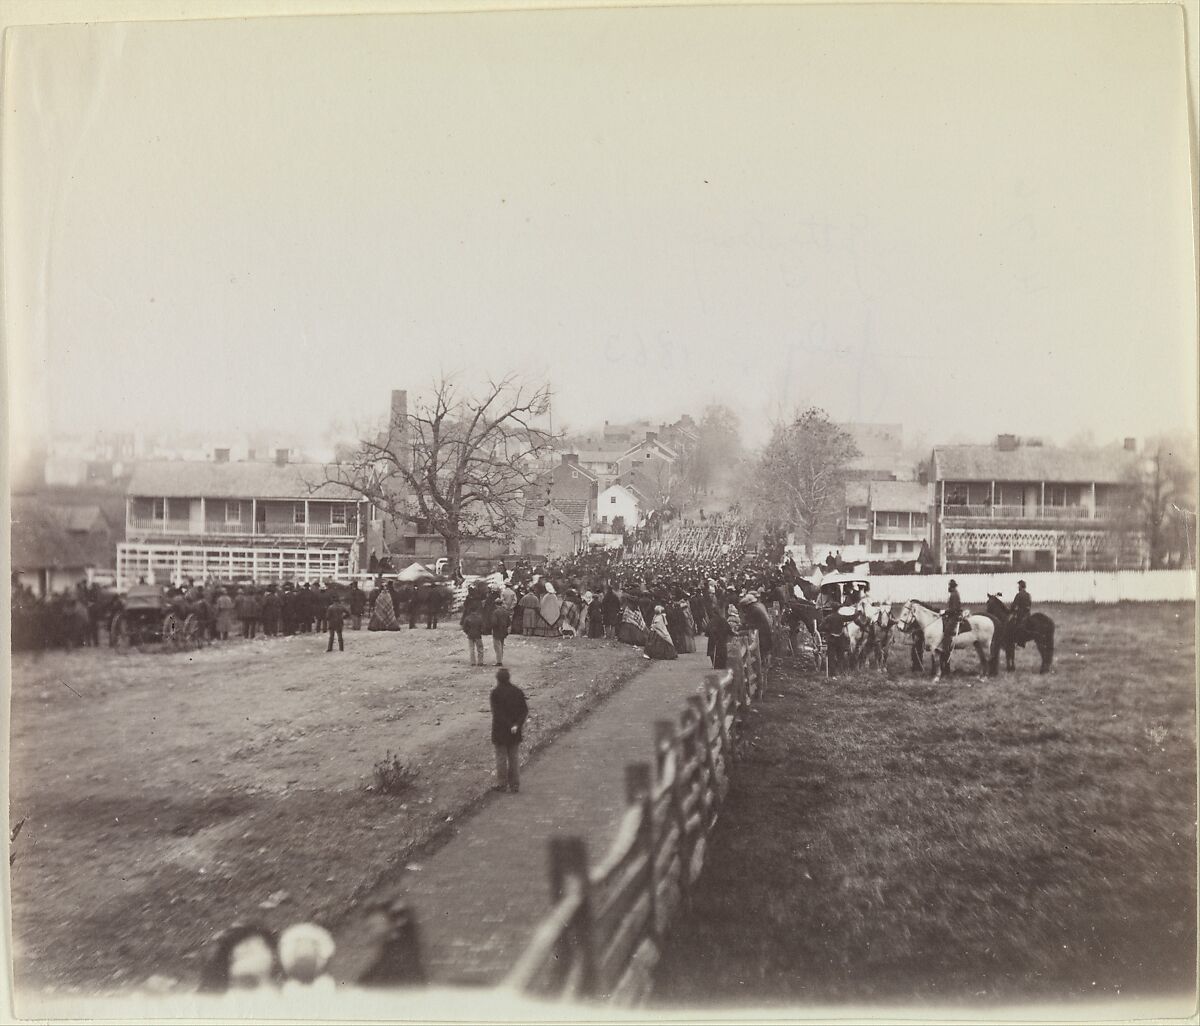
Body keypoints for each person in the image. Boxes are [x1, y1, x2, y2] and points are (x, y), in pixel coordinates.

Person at [489, 668, 528, 794]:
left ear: (498, 679)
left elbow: (497, 713)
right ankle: (515, 785)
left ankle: (502, 784)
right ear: (509, 678)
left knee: (501, 758)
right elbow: (524, 711)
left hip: (501, 731)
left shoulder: (495, 693)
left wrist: (509, 725)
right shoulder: (518, 692)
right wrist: (516, 725)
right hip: (515, 732)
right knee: (514, 758)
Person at [940, 579, 962, 661]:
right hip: (951, 615)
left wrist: (945, 611)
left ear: (952, 587)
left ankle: (946, 649)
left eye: (950, 586)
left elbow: (954, 609)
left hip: (954, 616)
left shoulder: (954, 594)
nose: (948, 587)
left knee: (947, 632)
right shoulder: (954, 594)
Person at [461, 600, 485, 666]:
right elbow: (483, 628)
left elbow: (464, 628)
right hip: (478, 635)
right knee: (480, 649)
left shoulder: (467, 618)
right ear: (476, 610)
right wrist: (481, 632)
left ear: (470, 611)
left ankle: (473, 662)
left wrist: (467, 632)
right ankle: (480, 662)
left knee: (471, 649)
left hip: (470, 635)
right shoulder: (479, 618)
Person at [490, 595, 511, 666]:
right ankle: (500, 659)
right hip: (503, 630)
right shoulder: (505, 611)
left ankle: (499, 661)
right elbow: (509, 622)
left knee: (497, 646)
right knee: (501, 645)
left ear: (496, 604)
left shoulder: (495, 612)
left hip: (497, 631)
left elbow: (494, 622)